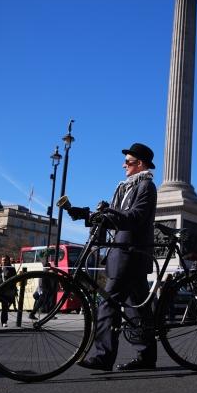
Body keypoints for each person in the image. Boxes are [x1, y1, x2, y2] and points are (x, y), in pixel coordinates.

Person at [71, 142, 158, 372]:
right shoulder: (125, 188)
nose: (123, 165)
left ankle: (103, 356)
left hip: (131, 253)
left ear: (140, 164)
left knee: (108, 304)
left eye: (128, 161)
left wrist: (108, 212)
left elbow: (134, 217)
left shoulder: (146, 186)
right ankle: (147, 356)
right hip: (122, 254)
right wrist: (86, 215)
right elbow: (113, 218)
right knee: (136, 309)